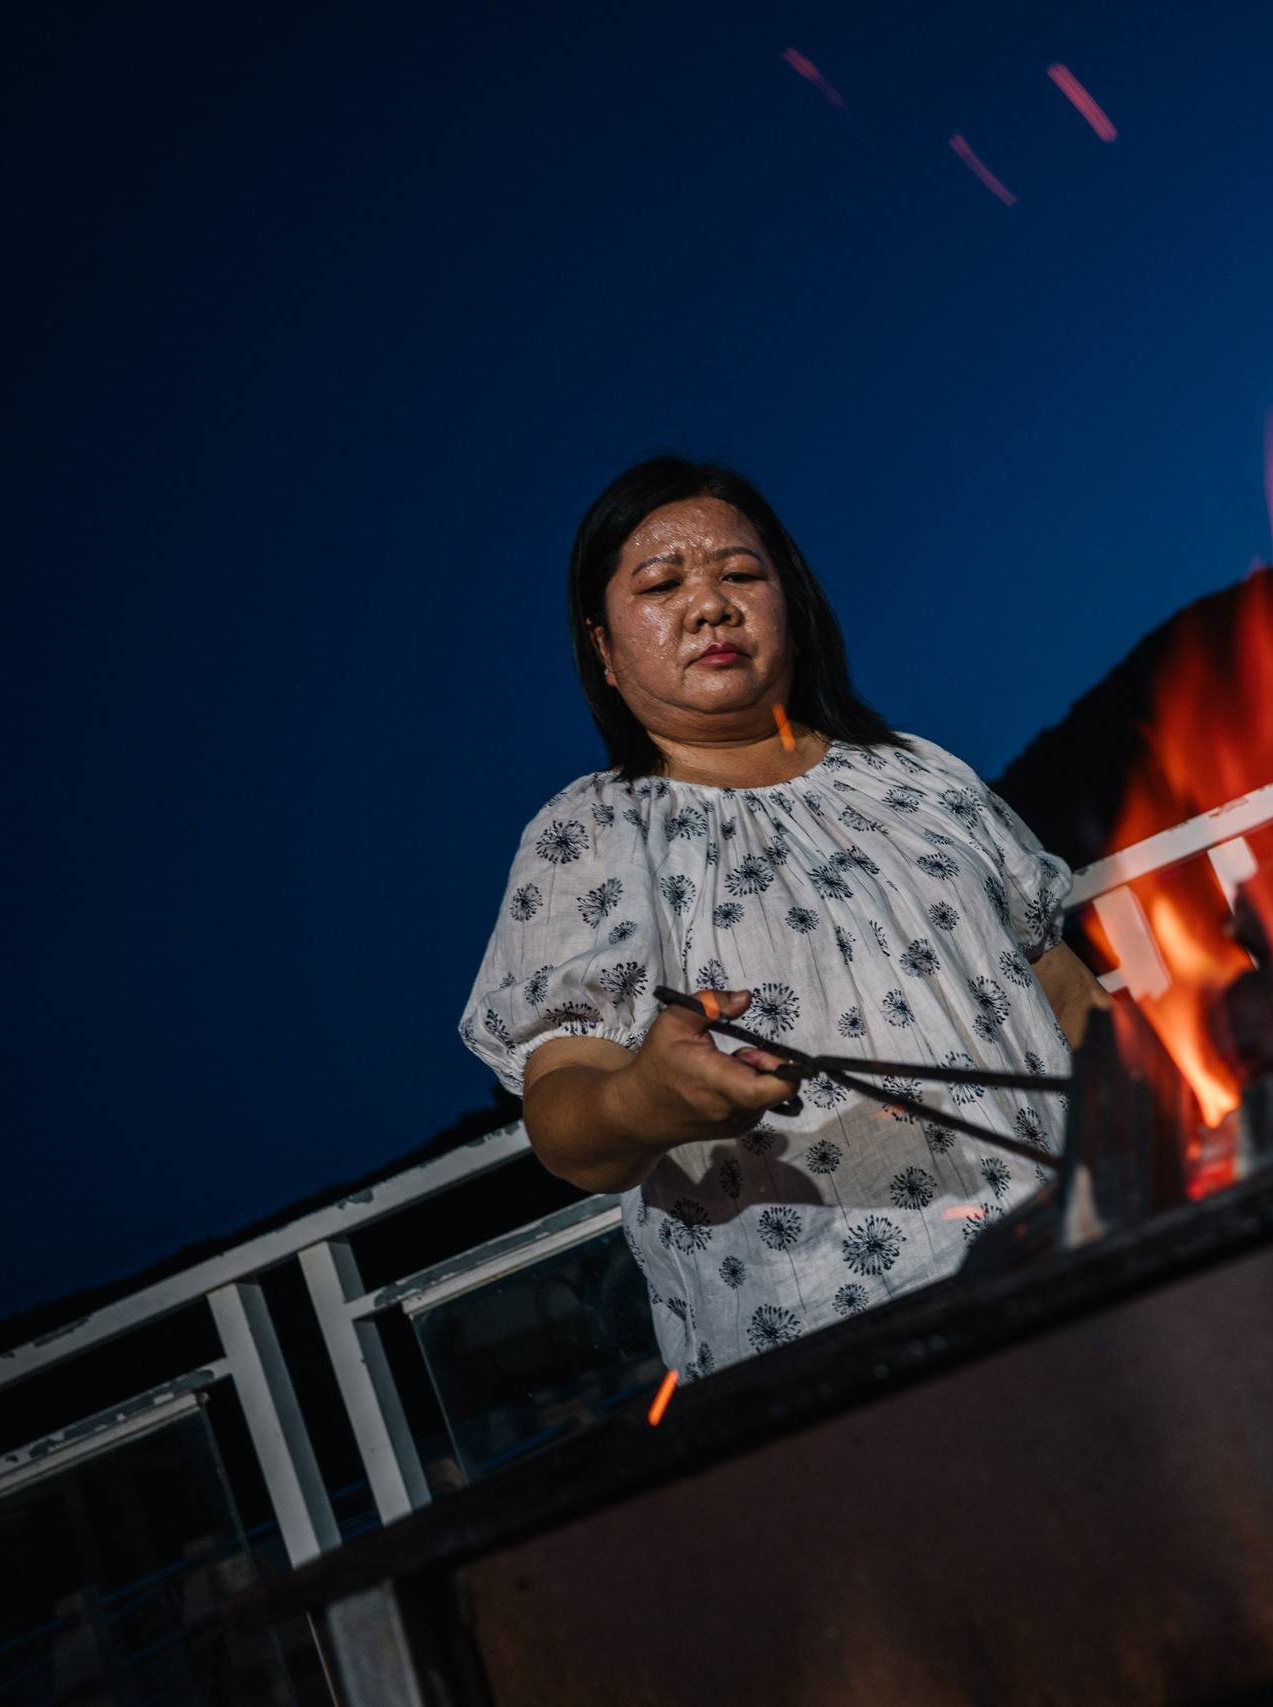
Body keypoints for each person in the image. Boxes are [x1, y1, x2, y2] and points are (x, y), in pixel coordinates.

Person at [459, 457, 1106, 1381]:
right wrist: (646, 1097)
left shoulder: (920, 775)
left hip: (1081, 1256)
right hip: (833, 1346)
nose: (711, 606)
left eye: (741, 573)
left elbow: (1070, 1001)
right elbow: (565, 1123)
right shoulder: (590, 833)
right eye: (662, 583)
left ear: (790, 601)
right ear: (603, 649)